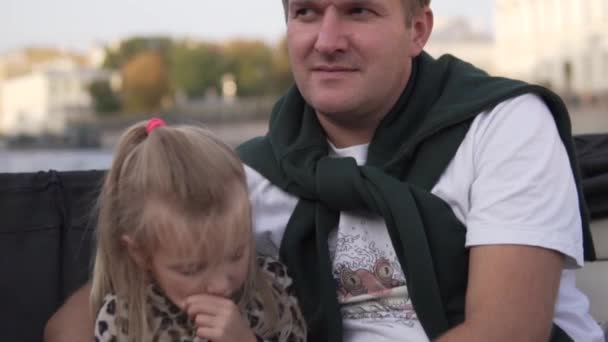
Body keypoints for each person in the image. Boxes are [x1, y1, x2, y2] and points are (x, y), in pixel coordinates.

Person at [46, 0, 604, 341]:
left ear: (418, 30)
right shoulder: (250, 177)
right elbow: (77, 320)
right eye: (306, 12)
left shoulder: (502, 126)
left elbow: (509, 332)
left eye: (359, 10)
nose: (327, 40)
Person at [89, 118, 306, 341]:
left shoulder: (272, 289)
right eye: (191, 270)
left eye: (236, 255)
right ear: (141, 254)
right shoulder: (123, 319)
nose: (221, 285)